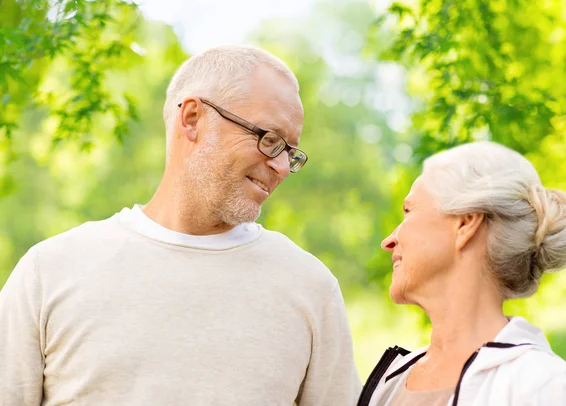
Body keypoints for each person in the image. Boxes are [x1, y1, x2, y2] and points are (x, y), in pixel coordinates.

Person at [0, 45, 362, 405]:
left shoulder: (310, 288)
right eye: (269, 140)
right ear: (192, 119)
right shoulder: (49, 272)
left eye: (290, 152)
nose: (282, 167)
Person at [358, 141, 566, 406]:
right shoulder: (389, 384)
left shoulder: (546, 389)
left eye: (409, 211)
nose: (389, 241)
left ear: (465, 223)